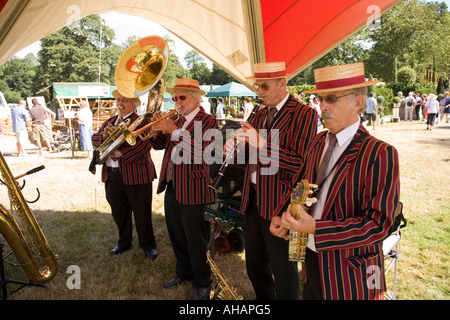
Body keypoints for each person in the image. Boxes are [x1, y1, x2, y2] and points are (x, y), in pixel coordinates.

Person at [270, 62, 401, 300]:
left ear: (358, 103)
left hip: (350, 272)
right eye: (320, 99)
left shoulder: (379, 153)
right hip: (311, 259)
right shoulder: (318, 141)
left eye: (331, 99)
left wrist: (316, 228)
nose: (323, 106)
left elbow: (378, 225)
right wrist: (283, 214)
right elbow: (301, 185)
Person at [229, 62, 318, 300]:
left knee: (284, 269)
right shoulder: (258, 112)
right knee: (254, 264)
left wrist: (261, 143)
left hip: (280, 202)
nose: (259, 91)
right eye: (257, 86)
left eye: (265, 86)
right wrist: (237, 147)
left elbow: (300, 162)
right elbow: (252, 156)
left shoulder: (304, 114)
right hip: (252, 199)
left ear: (282, 83)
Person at [150, 78, 218, 300]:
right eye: (175, 97)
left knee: (196, 239)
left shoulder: (207, 121)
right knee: (176, 233)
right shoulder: (176, 119)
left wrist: (175, 130)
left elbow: (205, 153)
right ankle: (184, 273)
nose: (177, 101)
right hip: (172, 185)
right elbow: (162, 145)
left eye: (182, 97)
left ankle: (203, 283)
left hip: (194, 186)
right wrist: (155, 132)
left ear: (196, 98)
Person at [91, 90, 158, 260]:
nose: (119, 103)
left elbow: (145, 144)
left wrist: (122, 155)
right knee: (118, 212)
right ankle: (124, 241)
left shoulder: (141, 121)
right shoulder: (110, 121)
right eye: (118, 99)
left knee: (142, 212)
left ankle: (148, 245)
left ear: (134, 104)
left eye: (124, 100)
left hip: (136, 174)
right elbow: (95, 139)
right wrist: (104, 135)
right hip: (113, 175)